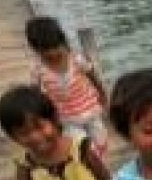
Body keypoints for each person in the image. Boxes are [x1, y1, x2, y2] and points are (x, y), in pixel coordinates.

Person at [25, 16, 110, 159]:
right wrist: (43, 116)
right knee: (81, 145)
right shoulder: (38, 69)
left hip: (89, 109)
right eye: (46, 51)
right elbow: (36, 93)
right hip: (65, 117)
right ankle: (91, 167)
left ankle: (97, 162)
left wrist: (102, 94)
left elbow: (92, 75)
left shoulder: (76, 58)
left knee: (100, 139)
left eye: (56, 48)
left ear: (62, 42)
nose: (53, 54)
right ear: (36, 49)